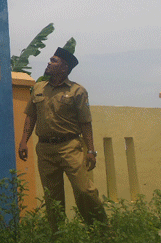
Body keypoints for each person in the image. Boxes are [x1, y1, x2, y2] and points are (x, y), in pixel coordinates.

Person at [18, 47, 107, 233]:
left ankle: (101, 231)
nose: (49, 63)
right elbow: (31, 117)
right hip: (45, 149)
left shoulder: (77, 91)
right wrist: (23, 141)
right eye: (50, 60)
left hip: (70, 147)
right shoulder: (38, 89)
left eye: (53, 60)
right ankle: (58, 235)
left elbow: (85, 123)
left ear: (64, 67)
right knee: (52, 198)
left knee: (84, 190)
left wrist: (91, 151)